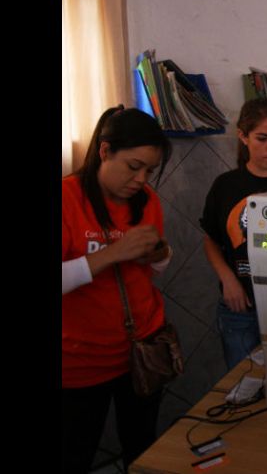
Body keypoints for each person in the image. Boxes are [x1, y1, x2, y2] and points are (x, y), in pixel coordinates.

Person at [62, 106, 173, 474]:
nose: (141, 179)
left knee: (142, 449)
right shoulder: (67, 199)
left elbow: (153, 270)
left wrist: (159, 254)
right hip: (79, 362)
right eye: (133, 166)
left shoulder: (148, 201)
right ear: (105, 151)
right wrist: (113, 253)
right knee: (76, 454)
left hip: (142, 351)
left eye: (149, 170)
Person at [200, 98, 267, 370]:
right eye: (262, 138)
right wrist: (228, 280)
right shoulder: (225, 185)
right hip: (240, 308)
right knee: (242, 381)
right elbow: (211, 239)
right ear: (243, 136)